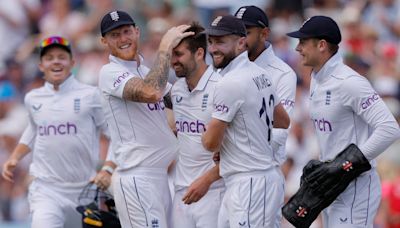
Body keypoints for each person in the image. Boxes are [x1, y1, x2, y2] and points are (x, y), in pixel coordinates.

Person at [286, 15, 400, 227]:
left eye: (303, 42)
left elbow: (390, 128)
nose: (297, 47)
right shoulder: (316, 79)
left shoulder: (350, 82)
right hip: (330, 186)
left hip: (355, 186)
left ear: (321, 45)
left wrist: (343, 166)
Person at [1, 36, 111, 228]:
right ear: (41, 65)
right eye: (49, 57)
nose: (56, 61)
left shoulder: (90, 95)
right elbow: (33, 130)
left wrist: (108, 168)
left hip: (84, 189)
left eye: (61, 56)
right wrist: (14, 158)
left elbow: (113, 135)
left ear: (72, 62)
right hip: (46, 189)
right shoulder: (33, 98)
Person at [98, 10, 193, 227]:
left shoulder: (143, 70)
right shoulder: (109, 72)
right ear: (104, 41)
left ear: (137, 31)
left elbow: (182, 101)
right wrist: (165, 47)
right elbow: (151, 92)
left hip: (159, 177)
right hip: (137, 178)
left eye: (126, 31)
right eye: (114, 35)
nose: (123, 39)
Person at [201, 15, 290, 227]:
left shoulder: (229, 83)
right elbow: (282, 120)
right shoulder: (261, 74)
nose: (213, 48)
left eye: (221, 41)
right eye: (211, 41)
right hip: (254, 179)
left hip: (250, 183)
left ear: (241, 42)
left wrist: (209, 134)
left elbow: (211, 143)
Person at [170, 22, 224, 228]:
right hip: (181, 193)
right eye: (171, 54)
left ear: (199, 53)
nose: (173, 61)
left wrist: (208, 180)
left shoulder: (221, 87)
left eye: (178, 54)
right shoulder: (177, 90)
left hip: (213, 192)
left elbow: (240, 147)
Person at [234, 5, 297, 165]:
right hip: (229, 170)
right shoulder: (226, 68)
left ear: (264, 34)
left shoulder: (283, 73)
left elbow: (280, 130)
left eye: (246, 33)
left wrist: (238, 151)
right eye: (236, 33)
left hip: (265, 169)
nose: (239, 40)